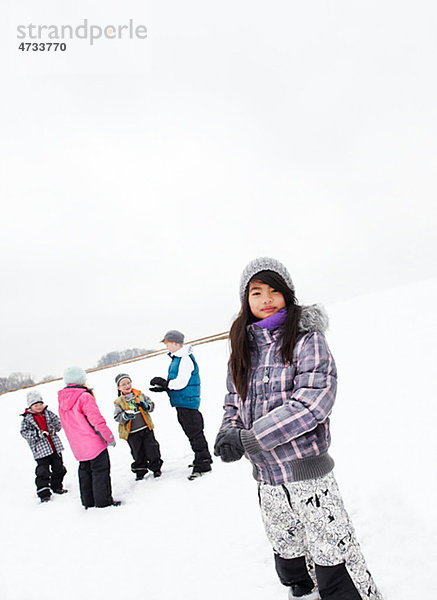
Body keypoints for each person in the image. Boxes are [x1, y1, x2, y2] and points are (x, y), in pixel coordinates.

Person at [214, 257, 383, 600]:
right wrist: (227, 431)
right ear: (245, 300)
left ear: (288, 295)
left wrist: (250, 438)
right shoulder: (242, 350)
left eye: (274, 291)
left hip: (308, 474)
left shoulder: (307, 340)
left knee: (332, 553)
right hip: (267, 478)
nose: (266, 299)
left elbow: (313, 402)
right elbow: (234, 400)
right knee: (288, 547)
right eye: (257, 292)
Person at [149, 330, 212, 480]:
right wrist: (164, 387)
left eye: (167, 343)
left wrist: (165, 384)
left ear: (175, 343)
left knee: (194, 433)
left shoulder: (184, 359)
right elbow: (176, 382)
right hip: (182, 401)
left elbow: (181, 382)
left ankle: (203, 464)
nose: (166, 346)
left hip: (187, 402)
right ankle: (204, 457)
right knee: (193, 433)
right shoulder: (178, 358)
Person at [58, 366, 120, 509]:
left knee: (85, 472)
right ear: (81, 379)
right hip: (94, 444)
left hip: (78, 446)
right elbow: (96, 420)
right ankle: (103, 502)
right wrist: (109, 437)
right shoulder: (84, 396)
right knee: (100, 471)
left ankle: (88, 501)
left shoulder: (62, 400)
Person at [20, 390, 67, 502]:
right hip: (41, 451)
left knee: (59, 468)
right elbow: (24, 432)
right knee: (43, 472)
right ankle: (43, 492)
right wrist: (38, 434)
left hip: (54, 447)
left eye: (40, 404)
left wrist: (55, 427)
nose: (39, 407)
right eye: (36, 405)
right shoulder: (27, 419)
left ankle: (56, 486)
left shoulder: (48, 413)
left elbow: (58, 422)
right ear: (30, 406)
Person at [114, 373, 163, 480]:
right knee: (137, 452)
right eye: (123, 384)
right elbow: (117, 417)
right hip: (132, 433)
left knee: (152, 449)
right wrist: (125, 416)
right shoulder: (118, 402)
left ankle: (156, 468)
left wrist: (147, 406)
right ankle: (140, 471)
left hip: (146, 428)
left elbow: (151, 404)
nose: (127, 386)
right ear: (119, 387)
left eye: (128, 383)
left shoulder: (139, 394)